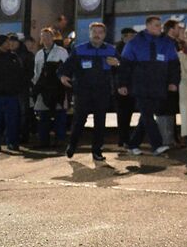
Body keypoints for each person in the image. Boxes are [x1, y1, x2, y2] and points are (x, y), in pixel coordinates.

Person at [119, 15, 180, 156]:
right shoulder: (135, 42)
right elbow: (125, 65)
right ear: (148, 26)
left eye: (160, 25)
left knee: (146, 116)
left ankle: (133, 144)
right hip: (140, 85)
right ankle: (157, 145)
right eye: (157, 25)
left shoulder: (167, 43)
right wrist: (122, 84)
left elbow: (174, 65)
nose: (160, 28)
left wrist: (173, 82)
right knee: (147, 114)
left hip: (158, 85)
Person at [61, 22, 120, 163]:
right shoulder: (79, 49)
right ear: (90, 33)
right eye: (94, 32)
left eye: (100, 32)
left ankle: (97, 151)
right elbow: (67, 66)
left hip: (102, 92)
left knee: (100, 123)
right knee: (79, 121)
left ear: (104, 35)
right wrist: (63, 75)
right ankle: (72, 145)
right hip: (83, 92)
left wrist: (117, 64)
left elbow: (122, 68)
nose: (97, 34)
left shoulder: (111, 50)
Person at [31, 27, 70, 149]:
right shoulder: (38, 54)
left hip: (58, 89)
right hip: (43, 89)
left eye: (48, 37)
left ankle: (60, 140)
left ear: (52, 38)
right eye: (43, 37)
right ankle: (44, 141)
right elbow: (36, 72)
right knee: (43, 116)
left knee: (59, 115)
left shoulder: (61, 52)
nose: (45, 39)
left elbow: (67, 69)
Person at [157, 19, 183, 147]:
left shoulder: (176, 43)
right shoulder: (164, 42)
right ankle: (165, 139)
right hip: (165, 82)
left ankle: (171, 138)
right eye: (178, 28)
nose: (180, 30)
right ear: (171, 29)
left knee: (171, 109)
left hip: (174, 81)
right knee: (164, 110)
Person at [113, 27, 138, 146]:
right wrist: (120, 85)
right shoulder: (118, 50)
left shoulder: (132, 48)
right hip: (122, 87)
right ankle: (123, 139)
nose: (134, 39)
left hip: (131, 86)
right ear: (125, 37)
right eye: (131, 36)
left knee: (127, 114)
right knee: (123, 114)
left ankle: (124, 139)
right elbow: (117, 70)